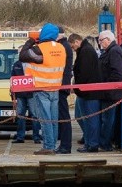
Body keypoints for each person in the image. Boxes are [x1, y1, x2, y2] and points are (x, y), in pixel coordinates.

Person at [19, 23, 66, 155]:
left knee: (45, 119)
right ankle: (53, 145)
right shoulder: (61, 48)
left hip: (41, 88)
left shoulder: (40, 49)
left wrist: (31, 40)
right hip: (55, 88)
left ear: (43, 34)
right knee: (53, 119)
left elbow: (22, 56)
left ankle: (48, 146)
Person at [69, 33, 102, 153]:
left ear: (77, 41)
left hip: (89, 93)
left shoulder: (85, 52)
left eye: (72, 46)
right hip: (87, 92)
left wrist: (76, 87)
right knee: (87, 119)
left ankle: (92, 144)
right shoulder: (86, 50)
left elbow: (84, 73)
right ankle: (89, 143)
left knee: (91, 120)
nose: (73, 49)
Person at [97, 29, 122, 151]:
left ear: (108, 40)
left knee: (108, 119)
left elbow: (118, 73)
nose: (100, 43)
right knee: (107, 119)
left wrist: (106, 84)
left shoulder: (114, 52)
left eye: (101, 41)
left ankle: (105, 144)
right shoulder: (111, 51)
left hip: (111, 93)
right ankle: (105, 142)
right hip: (109, 92)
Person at [10, 60, 41, 144]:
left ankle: (36, 137)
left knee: (35, 115)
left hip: (32, 93)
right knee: (20, 115)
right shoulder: (16, 64)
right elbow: (12, 80)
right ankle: (20, 137)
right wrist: (13, 95)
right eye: (19, 52)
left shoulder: (33, 63)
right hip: (20, 94)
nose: (20, 54)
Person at [56, 29, 74, 154]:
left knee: (63, 116)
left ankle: (65, 146)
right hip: (63, 84)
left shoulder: (62, 47)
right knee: (63, 116)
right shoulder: (65, 46)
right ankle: (64, 145)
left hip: (61, 85)